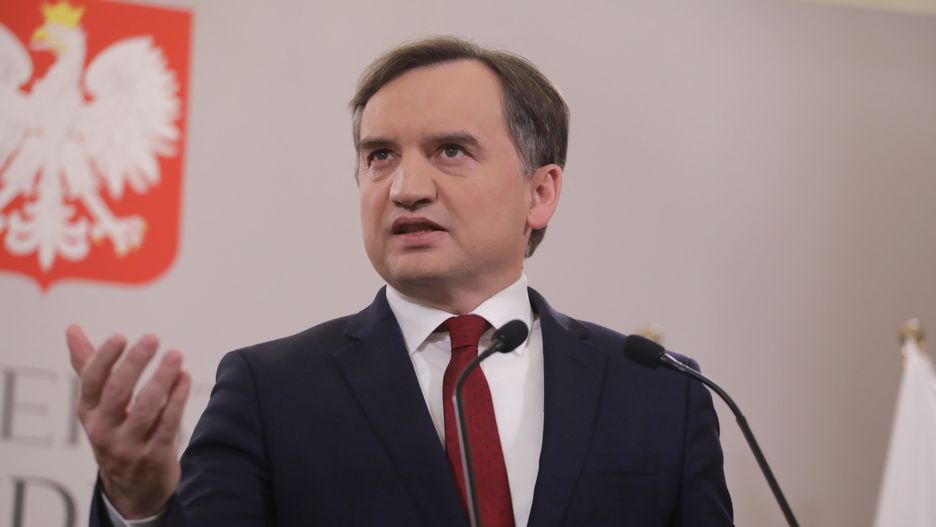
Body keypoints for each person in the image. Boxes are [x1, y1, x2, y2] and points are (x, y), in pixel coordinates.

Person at [67, 36, 734, 527]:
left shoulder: (661, 395)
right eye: (380, 155)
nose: (406, 187)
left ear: (540, 192)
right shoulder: (271, 392)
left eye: (451, 150)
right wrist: (140, 503)